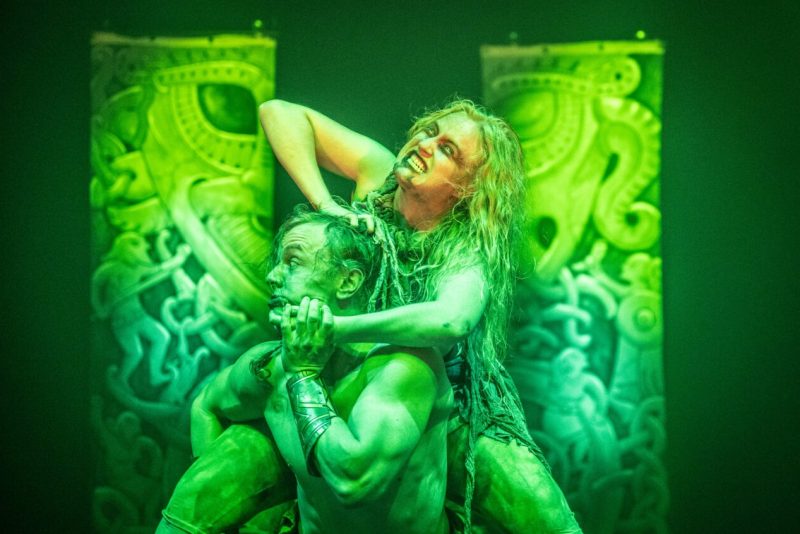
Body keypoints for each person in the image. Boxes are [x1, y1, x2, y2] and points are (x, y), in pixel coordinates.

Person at [158, 208, 453, 533]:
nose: (273, 277)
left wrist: (303, 374)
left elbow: (354, 483)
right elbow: (205, 406)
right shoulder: (270, 367)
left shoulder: (404, 366)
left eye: (293, 262)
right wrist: (219, 495)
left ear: (348, 281)